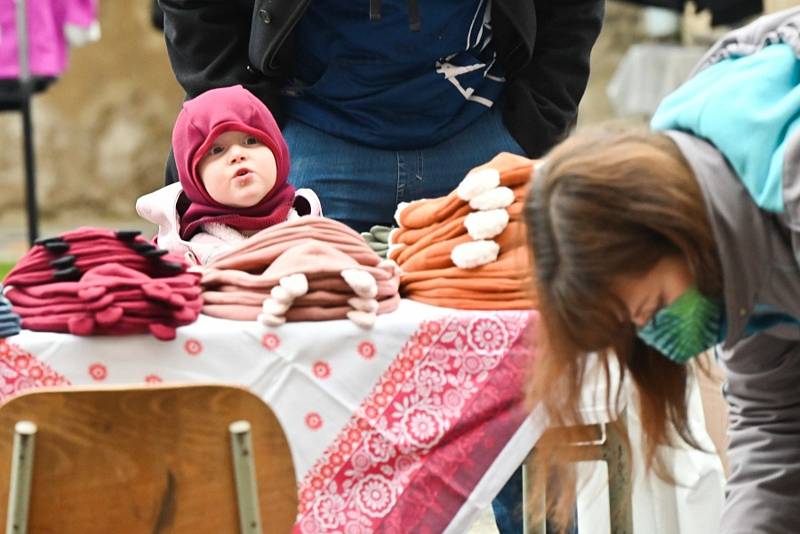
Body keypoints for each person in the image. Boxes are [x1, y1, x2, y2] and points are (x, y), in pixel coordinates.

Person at [525, 7, 800, 533]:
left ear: (669, 226)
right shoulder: (736, 252)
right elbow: (775, 437)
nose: (659, 338)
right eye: (637, 328)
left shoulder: (786, 173)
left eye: (651, 309)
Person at [156, 0, 604, 234]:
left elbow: (572, 12)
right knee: (291, 360)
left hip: (487, 140)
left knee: (508, 371)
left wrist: (537, 122)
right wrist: (243, 126)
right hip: (305, 145)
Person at [136, 84, 321, 265]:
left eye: (251, 140)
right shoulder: (185, 258)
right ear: (194, 179)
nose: (237, 155)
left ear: (278, 150)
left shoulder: (313, 227)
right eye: (216, 150)